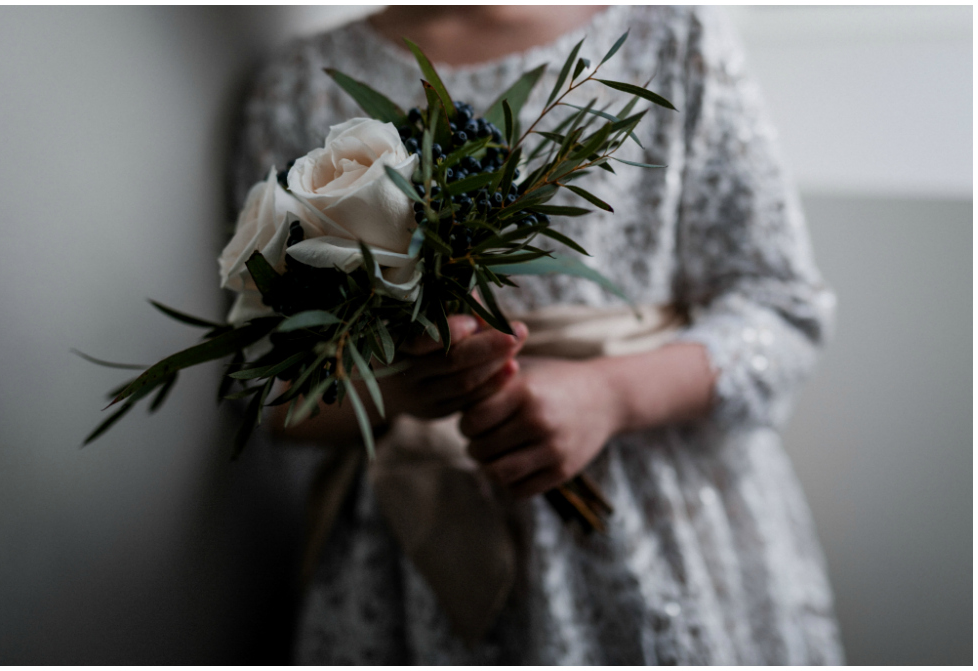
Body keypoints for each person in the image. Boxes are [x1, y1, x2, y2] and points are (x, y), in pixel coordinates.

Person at [230, 5, 844, 664]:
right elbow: (272, 390)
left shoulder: (673, 35)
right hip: (408, 547)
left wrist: (609, 394)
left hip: (652, 522)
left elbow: (781, 308)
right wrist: (404, 389)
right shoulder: (300, 83)